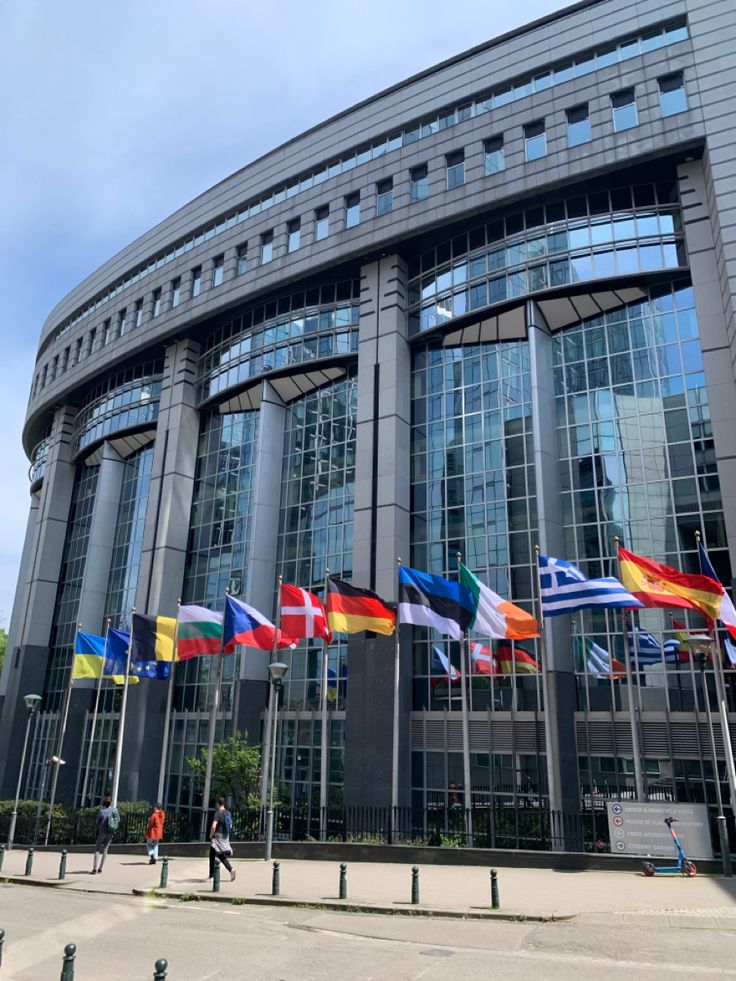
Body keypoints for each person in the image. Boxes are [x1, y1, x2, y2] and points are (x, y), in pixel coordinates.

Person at [208, 796, 236, 881]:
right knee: (213, 854)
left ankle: (213, 875)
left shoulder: (218, 813)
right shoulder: (228, 813)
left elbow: (213, 826)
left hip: (217, 837)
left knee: (217, 854)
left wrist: (211, 835)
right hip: (225, 836)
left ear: (217, 804)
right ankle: (212, 875)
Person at [92, 795, 119, 874]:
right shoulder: (115, 811)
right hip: (110, 832)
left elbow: (97, 822)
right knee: (105, 850)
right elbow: (118, 820)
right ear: (110, 803)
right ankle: (101, 868)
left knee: (97, 849)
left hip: (102, 832)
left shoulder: (102, 811)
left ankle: (94, 868)